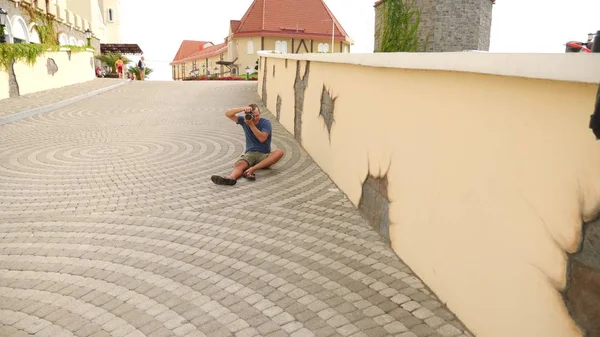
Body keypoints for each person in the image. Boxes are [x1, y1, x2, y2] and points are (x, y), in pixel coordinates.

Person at [211, 104, 284, 186]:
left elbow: (262, 138)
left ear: (260, 114)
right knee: (240, 164)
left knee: (279, 152)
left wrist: (251, 124)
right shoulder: (244, 120)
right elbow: (228, 114)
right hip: (250, 153)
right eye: (253, 116)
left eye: (257, 115)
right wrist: (242, 108)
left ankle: (251, 169)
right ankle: (231, 178)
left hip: (264, 155)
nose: (256, 118)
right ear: (248, 115)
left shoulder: (265, 123)